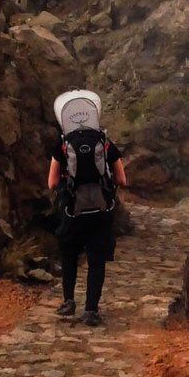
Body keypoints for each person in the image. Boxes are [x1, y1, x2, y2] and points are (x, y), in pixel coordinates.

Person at [48, 90, 127, 327]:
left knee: (70, 254)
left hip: (73, 210)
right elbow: (122, 179)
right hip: (101, 211)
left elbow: (51, 183)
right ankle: (91, 310)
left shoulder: (62, 147)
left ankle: (68, 301)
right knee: (97, 260)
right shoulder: (105, 143)